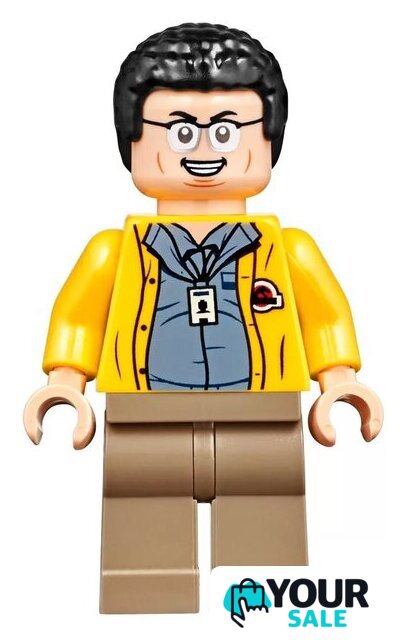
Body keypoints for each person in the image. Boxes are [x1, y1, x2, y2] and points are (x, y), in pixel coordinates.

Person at [24, 23, 383, 614]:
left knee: (267, 530)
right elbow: (79, 320)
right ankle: (148, 611)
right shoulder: (113, 252)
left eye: (226, 130)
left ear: (268, 139)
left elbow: (325, 316)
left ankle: (261, 609)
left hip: (265, 416)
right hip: (142, 417)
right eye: (180, 131)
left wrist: (339, 380)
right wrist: (64, 383)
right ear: (132, 140)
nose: (204, 152)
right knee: (142, 528)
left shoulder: (288, 250)